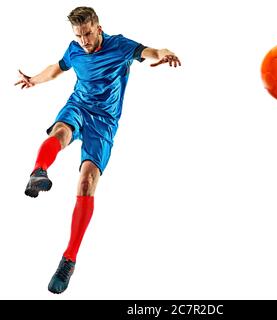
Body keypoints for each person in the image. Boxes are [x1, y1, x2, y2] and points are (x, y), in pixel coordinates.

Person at [15, 6, 181, 294]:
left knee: (86, 183)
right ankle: (38, 171)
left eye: (88, 34)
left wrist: (164, 54)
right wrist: (33, 79)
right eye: (79, 36)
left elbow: (151, 51)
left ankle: (68, 259)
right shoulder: (74, 49)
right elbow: (57, 68)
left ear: (99, 28)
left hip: (104, 123)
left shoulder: (120, 46)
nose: (84, 42)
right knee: (60, 131)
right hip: (78, 107)